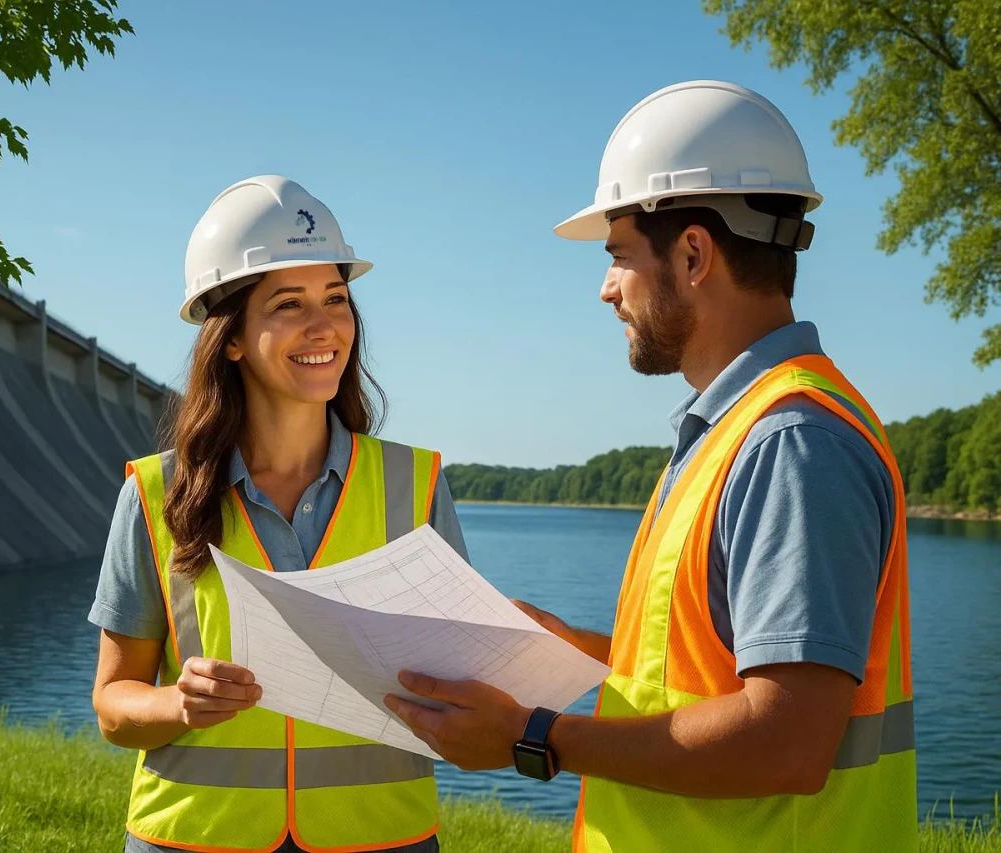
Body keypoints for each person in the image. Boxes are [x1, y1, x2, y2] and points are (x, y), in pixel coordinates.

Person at [384, 80, 917, 852]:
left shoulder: (790, 442)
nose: (607, 290)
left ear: (694, 253)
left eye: (619, 257)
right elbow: (718, 669)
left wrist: (533, 734)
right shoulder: (735, 428)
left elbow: (788, 738)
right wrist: (575, 652)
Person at [89, 175, 469, 853]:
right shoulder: (155, 494)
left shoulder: (417, 485)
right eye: (288, 304)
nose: (324, 325)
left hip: (380, 839)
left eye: (336, 298)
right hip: (196, 840)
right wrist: (178, 702)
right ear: (230, 337)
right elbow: (114, 704)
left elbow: (463, 684)